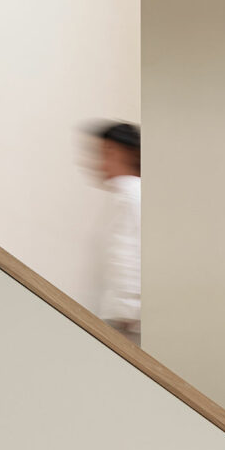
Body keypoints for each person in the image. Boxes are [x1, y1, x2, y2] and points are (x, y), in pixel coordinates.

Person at [91, 121, 141, 345]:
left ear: (118, 151)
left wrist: (125, 315)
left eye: (103, 152)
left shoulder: (128, 193)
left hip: (125, 322)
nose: (98, 163)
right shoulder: (131, 193)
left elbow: (127, 254)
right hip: (124, 318)